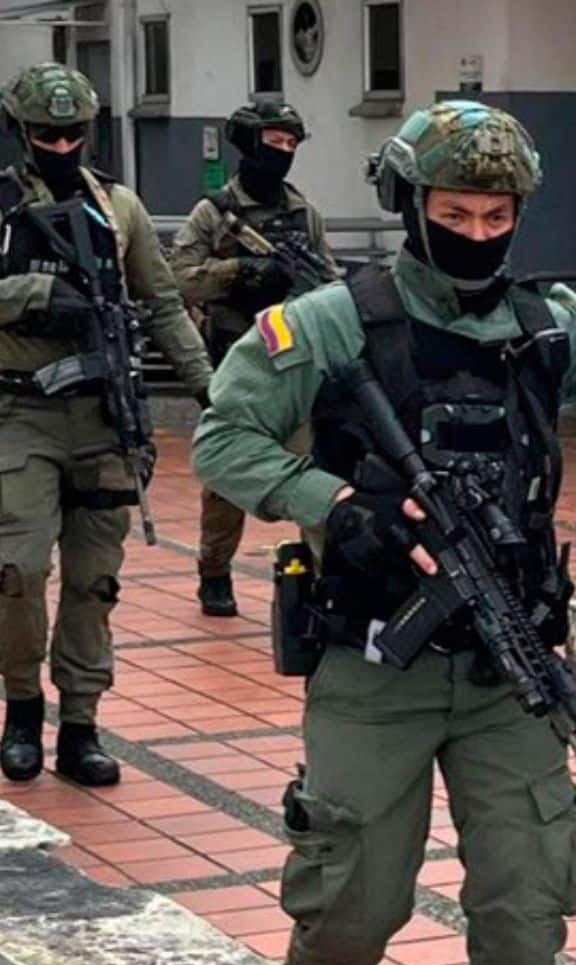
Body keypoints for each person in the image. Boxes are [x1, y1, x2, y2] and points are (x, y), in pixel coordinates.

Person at [191, 100, 576, 965]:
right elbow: (222, 440)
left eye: (497, 217)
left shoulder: (552, 324)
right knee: (352, 903)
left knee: (527, 903)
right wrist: (336, 505)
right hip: (374, 664)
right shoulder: (334, 323)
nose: (477, 235)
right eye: (455, 214)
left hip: (511, 671)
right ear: (410, 205)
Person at [0, 63, 211, 787]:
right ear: (20, 131)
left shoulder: (118, 207)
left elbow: (163, 303)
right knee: (19, 569)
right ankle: (22, 709)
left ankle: (81, 723)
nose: (60, 147)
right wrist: (34, 295)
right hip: (19, 412)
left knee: (95, 581)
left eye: (72, 134)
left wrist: (211, 388)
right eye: (45, 135)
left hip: (101, 415)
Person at [171, 100, 338, 617]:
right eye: (274, 141)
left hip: (296, 362)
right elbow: (179, 278)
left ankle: (326, 577)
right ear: (248, 143)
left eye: (291, 143)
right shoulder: (215, 212)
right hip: (236, 364)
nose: (283, 152)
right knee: (227, 478)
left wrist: (306, 292)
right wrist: (240, 273)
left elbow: (330, 281)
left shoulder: (303, 213)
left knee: (315, 469)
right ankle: (214, 570)